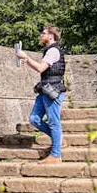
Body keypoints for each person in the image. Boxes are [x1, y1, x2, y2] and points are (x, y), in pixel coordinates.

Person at [17, 25, 67, 163]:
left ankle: (56, 155)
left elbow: (40, 68)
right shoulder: (49, 51)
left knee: (53, 122)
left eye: (43, 33)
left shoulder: (53, 51)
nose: (41, 35)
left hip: (53, 91)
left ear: (51, 36)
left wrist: (25, 57)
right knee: (34, 118)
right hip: (45, 90)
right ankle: (59, 141)